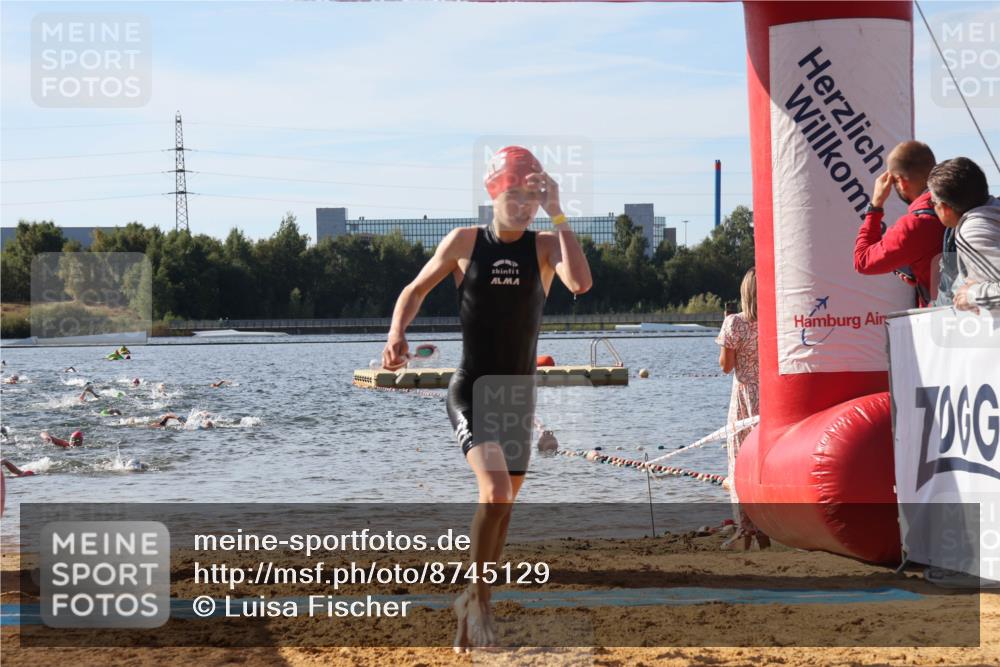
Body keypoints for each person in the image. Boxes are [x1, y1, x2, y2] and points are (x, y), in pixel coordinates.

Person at [382, 145, 592, 651]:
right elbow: (414, 290)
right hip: (473, 390)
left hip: (517, 398)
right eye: (513, 195)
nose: (522, 206)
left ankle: (471, 602)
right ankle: (478, 602)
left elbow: (581, 282)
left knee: (502, 509)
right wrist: (396, 333)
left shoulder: (545, 246)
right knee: (495, 492)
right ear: (493, 193)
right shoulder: (465, 241)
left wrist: (558, 211)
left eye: (531, 198)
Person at [716, 268, 770, 551]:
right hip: (771, 397)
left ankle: (745, 527)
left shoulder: (734, 322)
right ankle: (767, 526)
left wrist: (725, 335)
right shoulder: (774, 320)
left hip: (745, 398)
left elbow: (726, 366)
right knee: (764, 463)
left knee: (738, 463)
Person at [854, 141, 943, 306]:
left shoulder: (914, 226)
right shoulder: (961, 203)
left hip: (945, 316)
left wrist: (875, 205)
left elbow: (862, 261)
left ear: (901, 182)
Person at [927, 157, 1000, 313]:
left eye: (932, 203)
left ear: (944, 207)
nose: (933, 207)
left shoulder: (972, 232)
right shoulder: (994, 211)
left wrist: (972, 295)